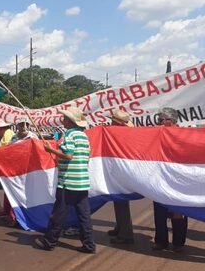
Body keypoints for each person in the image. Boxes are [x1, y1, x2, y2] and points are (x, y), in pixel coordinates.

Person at [34, 107, 95, 254]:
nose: (62, 120)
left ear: (70, 121)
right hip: (82, 182)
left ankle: (49, 241)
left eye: (65, 118)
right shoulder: (84, 136)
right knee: (84, 215)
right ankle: (89, 245)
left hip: (68, 182)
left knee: (59, 213)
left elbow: (68, 155)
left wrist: (51, 151)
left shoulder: (69, 134)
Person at [151, 107, 188, 253]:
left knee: (177, 213)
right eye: (158, 120)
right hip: (159, 178)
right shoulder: (156, 134)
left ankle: (178, 242)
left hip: (177, 179)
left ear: (171, 121)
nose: (160, 123)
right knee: (159, 212)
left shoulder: (183, 134)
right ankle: (161, 241)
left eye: (162, 120)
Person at [107, 110, 135, 245]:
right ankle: (120, 227)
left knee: (121, 202)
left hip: (122, 172)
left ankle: (126, 234)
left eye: (113, 121)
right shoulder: (125, 134)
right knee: (118, 201)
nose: (110, 123)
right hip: (120, 171)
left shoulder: (122, 135)